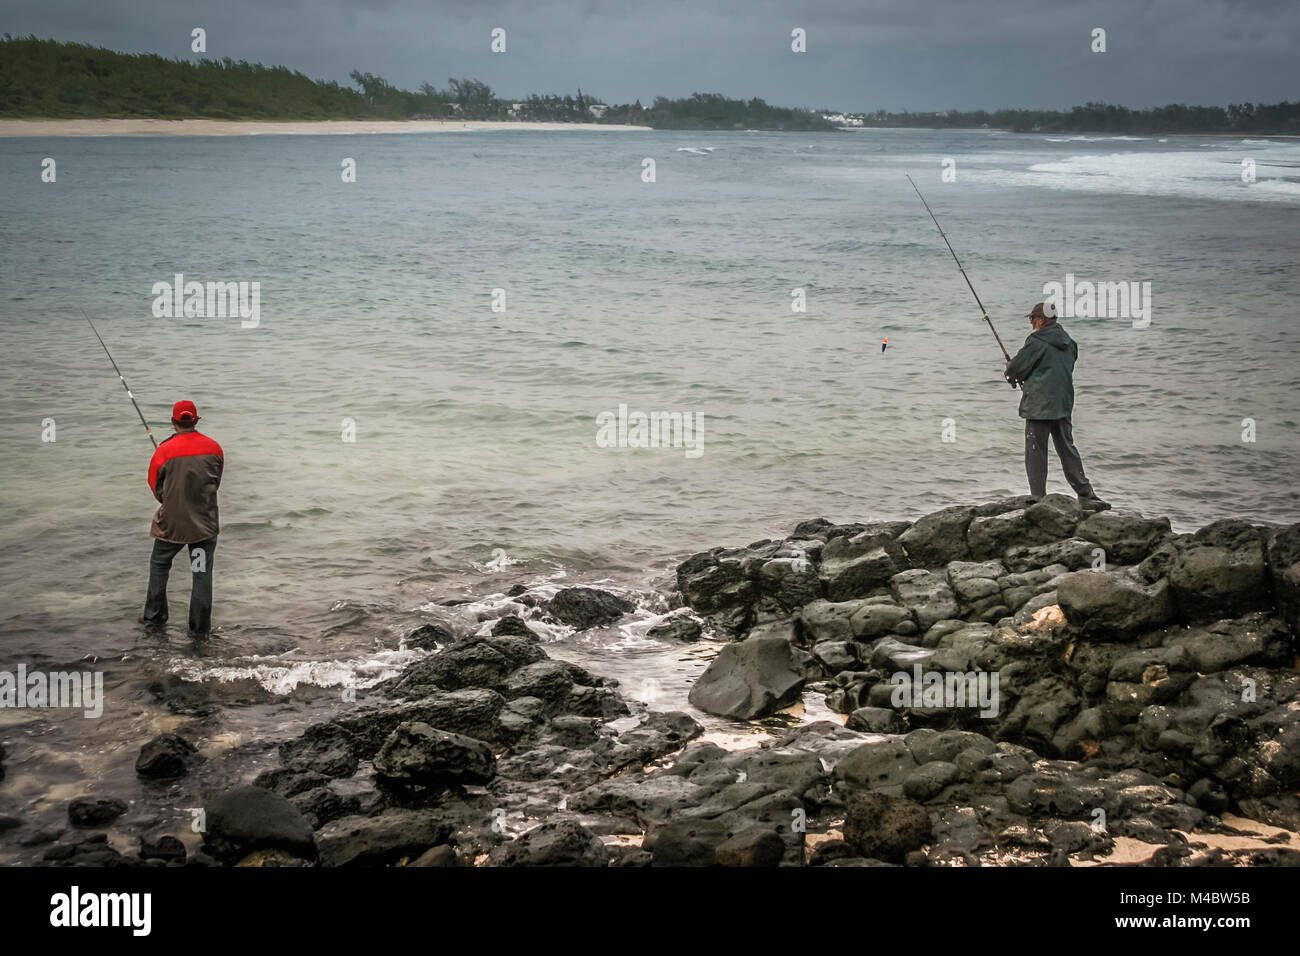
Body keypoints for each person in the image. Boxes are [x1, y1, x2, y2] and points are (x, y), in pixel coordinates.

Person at [1003, 302, 1110, 511]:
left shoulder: (1036, 341)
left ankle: (1038, 498)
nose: (1031, 323)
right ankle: (1086, 494)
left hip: (1038, 404)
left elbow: (1016, 369)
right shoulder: (1070, 343)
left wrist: (1010, 370)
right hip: (1062, 402)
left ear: (1041, 320)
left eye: (1032, 319)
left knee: (1036, 451)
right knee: (1067, 448)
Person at [141, 400, 224, 634]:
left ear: (173, 421)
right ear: (196, 421)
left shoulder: (163, 451)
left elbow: (155, 487)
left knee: (159, 564)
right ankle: (199, 629)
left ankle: (155, 620)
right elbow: (215, 482)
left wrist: (172, 501)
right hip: (203, 527)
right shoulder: (214, 448)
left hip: (172, 526)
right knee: (200, 572)